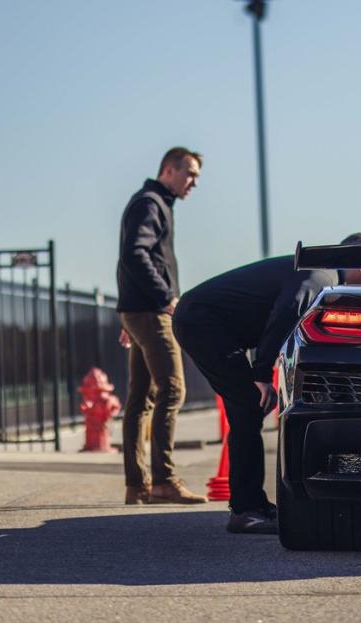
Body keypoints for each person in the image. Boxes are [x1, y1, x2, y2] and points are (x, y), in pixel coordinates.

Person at [172, 232, 361, 533]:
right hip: (201, 322)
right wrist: (261, 374)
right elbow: (286, 314)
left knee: (246, 411)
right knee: (247, 408)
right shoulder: (319, 277)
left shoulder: (318, 272)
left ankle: (253, 502)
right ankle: (245, 511)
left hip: (207, 323)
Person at [116, 147, 207, 505]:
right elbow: (134, 254)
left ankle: (137, 485)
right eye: (190, 174)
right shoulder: (150, 203)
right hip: (151, 312)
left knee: (140, 398)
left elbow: (131, 258)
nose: (193, 183)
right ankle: (163, 481)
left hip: (139, 310)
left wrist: (129, 309)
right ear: (169, 170)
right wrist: (165, 297)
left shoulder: (151, 202)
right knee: (172, 389)